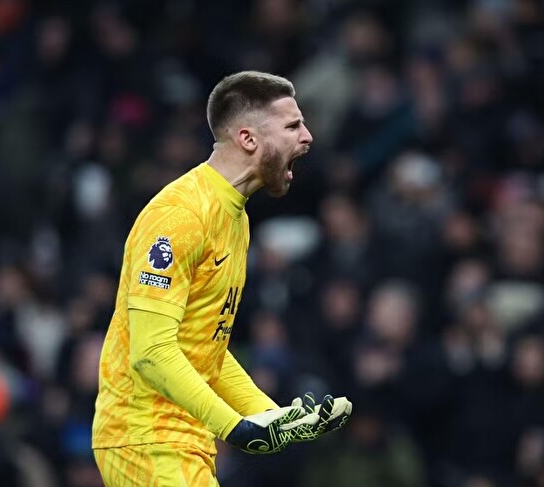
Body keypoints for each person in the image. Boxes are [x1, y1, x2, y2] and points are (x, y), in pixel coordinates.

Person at [92, 71, 352, 486]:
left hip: (181, 440)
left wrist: (270, 415)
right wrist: (235, 427)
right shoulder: (180, 216)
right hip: (145, 436)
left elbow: (205, 346)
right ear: (248, 139)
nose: (308, 137)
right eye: (292, 126)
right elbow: (150, 351)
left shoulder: (236, 219)